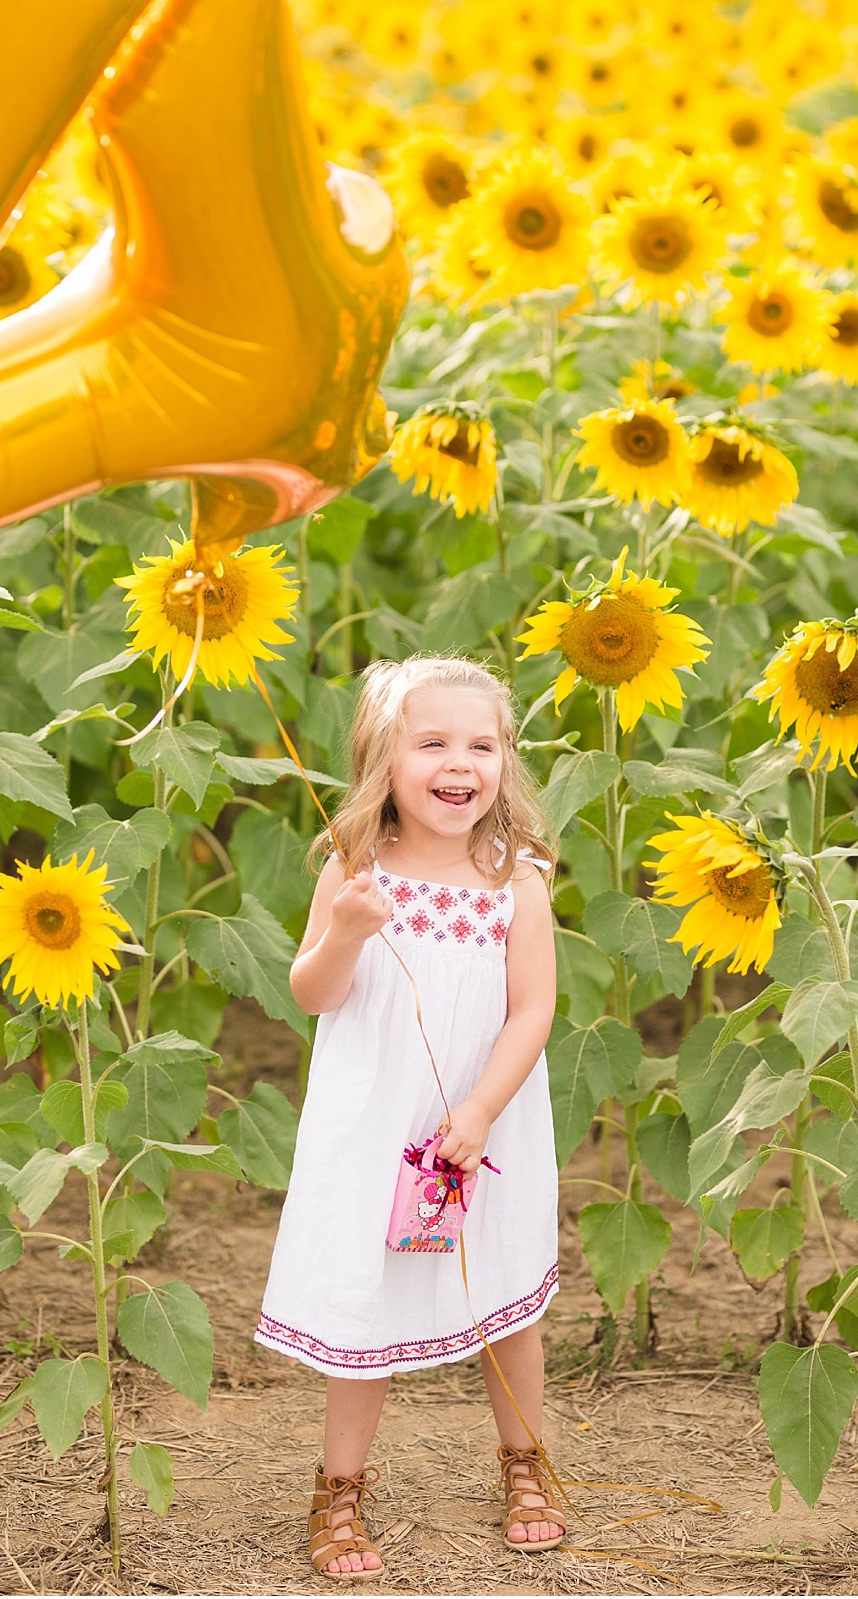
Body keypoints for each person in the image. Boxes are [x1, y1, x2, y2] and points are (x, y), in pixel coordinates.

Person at [253, 654, 562, 1580]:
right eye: (431, 742)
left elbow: (533, 1010)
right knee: (364, 1301)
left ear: (505, 761)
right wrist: (345, 930)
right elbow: (314, 992)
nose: (457, 762)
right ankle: (339, 1491)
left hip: (485, 1124)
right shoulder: (355, 868)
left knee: (505, 1295)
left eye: (481, 744)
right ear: (382, 759)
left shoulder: (518, 880)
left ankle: (526, 1466)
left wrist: (477, 1111)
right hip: (374, 1125)